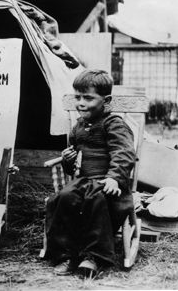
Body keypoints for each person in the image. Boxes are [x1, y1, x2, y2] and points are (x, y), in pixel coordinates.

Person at [45, 69, 136, 277]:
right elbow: (72, 166)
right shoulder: (78, 127)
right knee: (63, 198)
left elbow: (124, 153)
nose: (81, 103)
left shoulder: (113, 124)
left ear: (107, 100)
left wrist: (114, 178)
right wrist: (68, 160)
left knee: (96, 199)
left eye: (88, 98)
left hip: (109, 185)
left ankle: (94, 256)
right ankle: (65, 254)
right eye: (77, 97)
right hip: (84, 182)